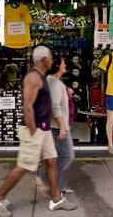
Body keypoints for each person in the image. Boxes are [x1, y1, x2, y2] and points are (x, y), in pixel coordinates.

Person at [0, 46, 77, 217]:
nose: (52, 61)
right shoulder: (32, 77)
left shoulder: (42, 77)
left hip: (43, 129)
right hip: (34, 130)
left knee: (51, 161)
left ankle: (56, 199)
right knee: (22, 167)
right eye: (50, 58)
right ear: (43, 59)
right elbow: (27, 107)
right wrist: (33, 132)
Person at [37, 56, 75, 194]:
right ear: (58, 66)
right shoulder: (54, 83)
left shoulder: (53, 81)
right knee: (68, 156)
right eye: (63, 62)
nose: (66, 65)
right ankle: (45, 179)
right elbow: (55, 107)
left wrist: (67, 89)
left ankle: (61, 185)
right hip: (58, 127)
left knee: (58, 156)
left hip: (55, 126)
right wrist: (63, 127)